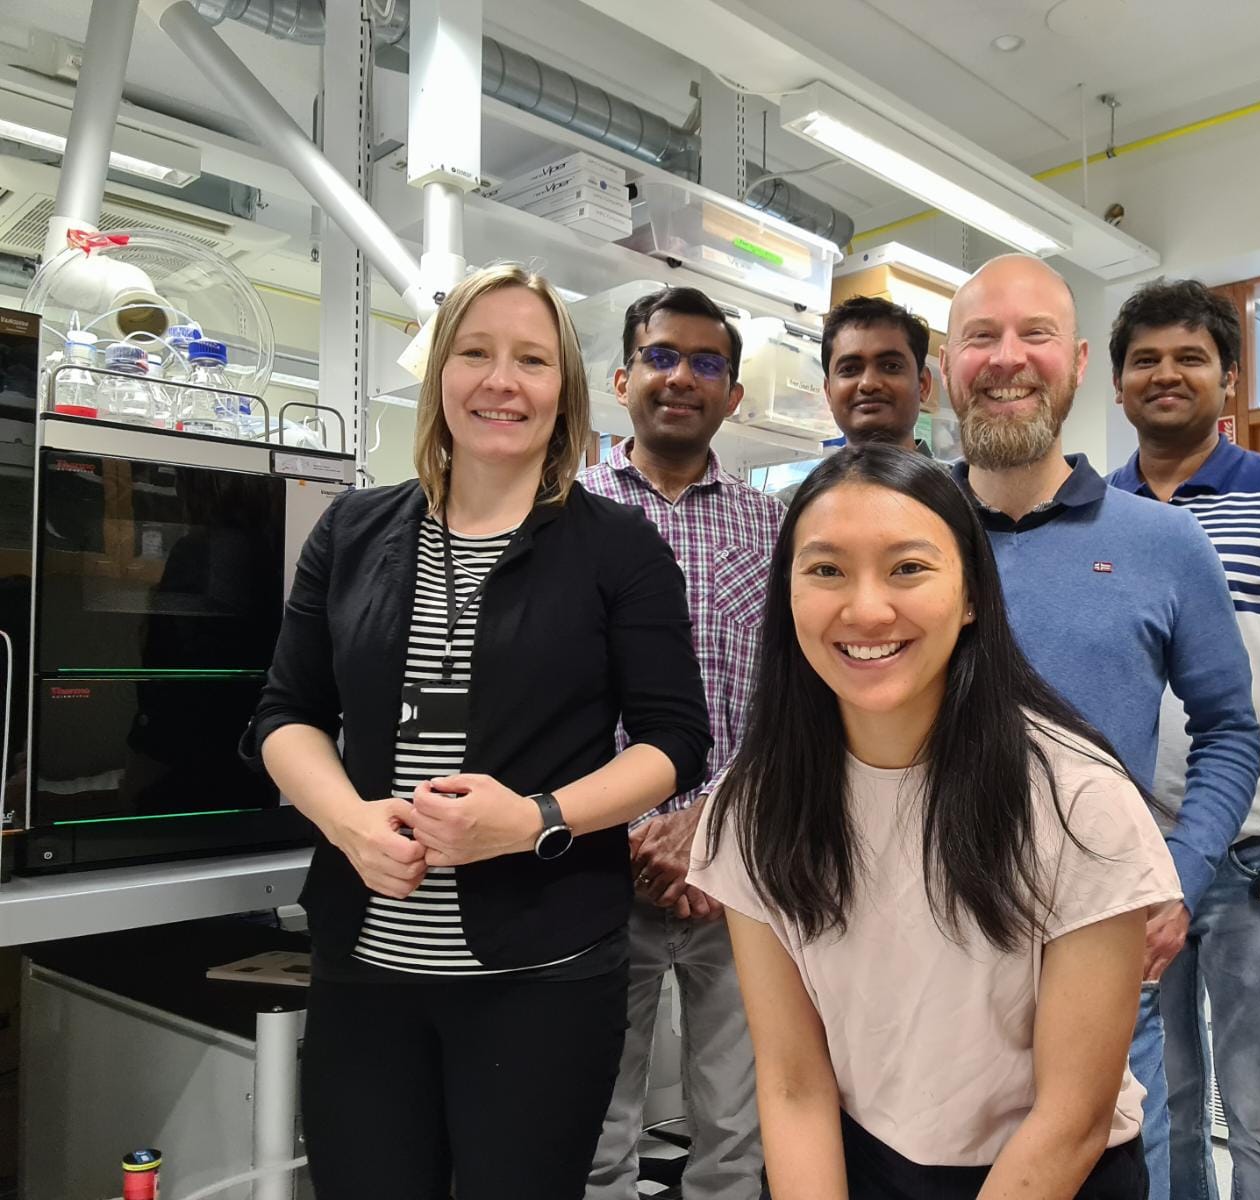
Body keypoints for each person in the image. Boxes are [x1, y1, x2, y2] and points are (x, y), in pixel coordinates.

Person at [248, 263, 713, 1199]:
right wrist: (347, 823)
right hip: (365, 961)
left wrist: (533, 818)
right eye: (476, 353)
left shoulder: (616, 548)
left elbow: (673, 742)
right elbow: (284, 712)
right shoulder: (354, 529)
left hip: (542, 972)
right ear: (440, 379)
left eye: (531, 359)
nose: (502, 381)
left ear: (566, 392)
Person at [690, 445, 1182, 1199]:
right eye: (825, 570)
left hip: (1051, 1173)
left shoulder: (1078, 799)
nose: (866, 609)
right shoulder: (755, 808)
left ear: (972, 594)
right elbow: (793, 1085)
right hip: (861, 1163)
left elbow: (1072, 1117)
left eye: (908, 568)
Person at [941, 254, 1260, 1200]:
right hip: (919, 964)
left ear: (1080, 363)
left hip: (1098, 968)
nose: (1008, 360)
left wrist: (1176, 873)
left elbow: (1231, 729)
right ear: (943, 368)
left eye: (1034, 334)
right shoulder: (901, 529)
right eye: (980, 337)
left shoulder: (1162, 543)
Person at [1106, 279, 1260, 1200]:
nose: (1166, 374)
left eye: (1190, 358)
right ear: (1120, 382)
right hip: (1128, 861)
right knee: (1155, 1108)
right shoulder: (1096, 509)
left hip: (1259, 861)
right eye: (1146, 360)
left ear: (1228, 377)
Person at [583, 286, 781, 1200]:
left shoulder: (774, 531)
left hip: (736, 867)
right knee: (596, 1123)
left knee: (739, 1131)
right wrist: (620, 823)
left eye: (708, 364)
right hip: (592, 865)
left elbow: (796, 702)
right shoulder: (564, 516)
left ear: (733, 396)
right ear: (622, 378)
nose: (682, 378)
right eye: (663, 357)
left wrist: (710, 818)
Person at [774, 295, 934, 504]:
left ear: (923, 384)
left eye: (891, 366)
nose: (868, 383)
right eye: (850, 369)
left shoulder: (962, 498)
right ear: (829, 391)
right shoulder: (792, 508)